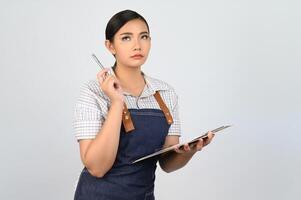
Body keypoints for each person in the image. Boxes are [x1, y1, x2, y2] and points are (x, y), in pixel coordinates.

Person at [73, 9, 215, 200]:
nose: (137, 45)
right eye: (126, 38)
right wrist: (116, 102)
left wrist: (189, 151)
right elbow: (97, 168)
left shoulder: (165, 94)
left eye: (144, 36)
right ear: (110, 46)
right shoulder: (93, 92)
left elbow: (167, 163)